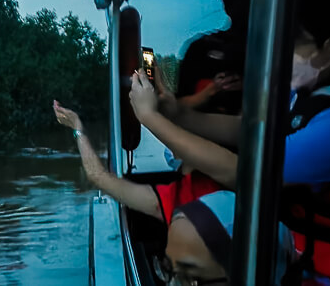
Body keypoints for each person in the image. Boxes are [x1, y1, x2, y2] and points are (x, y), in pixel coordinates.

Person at [130, 0, 330, 285]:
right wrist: (178, 114)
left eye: (293, 42)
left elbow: (243, 174)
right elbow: (249, 130)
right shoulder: (314, 93)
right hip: (304, 266)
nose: (280, 53)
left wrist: (151, 120)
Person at [52, 101, 296, 285]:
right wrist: (77, 128)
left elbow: (99, 177)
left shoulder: (175, 196)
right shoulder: (255, 178)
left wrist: (78, 130)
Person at [176, 0, 253, 116]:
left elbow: (175, 108)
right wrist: (212, 90)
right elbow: (179, 105)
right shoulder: (201, 49)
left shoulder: (200, 48)